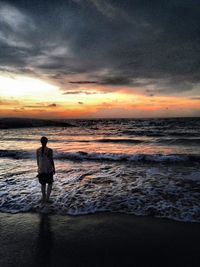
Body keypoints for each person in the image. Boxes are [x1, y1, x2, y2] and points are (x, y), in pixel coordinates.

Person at [36, 136, 55, 203]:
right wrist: (54, 169)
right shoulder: (49, 150)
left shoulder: (37, 150)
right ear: (47, 142)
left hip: (41, 169)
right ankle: (47, 198)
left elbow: (38, 161)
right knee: (50, 183)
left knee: (43, 184)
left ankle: (43, 198)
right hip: (48, 169)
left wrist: (39, 170)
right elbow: (51, 160)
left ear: (41, 142)